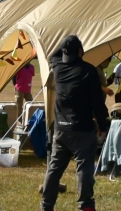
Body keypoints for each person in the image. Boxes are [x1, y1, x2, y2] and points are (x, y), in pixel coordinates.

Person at [40, 35, 109, 211]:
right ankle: (85, 205)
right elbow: (97, 103)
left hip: (61, 129)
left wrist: (66, 44)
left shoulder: (58, 67)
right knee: (84, 168)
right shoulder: (89, 71)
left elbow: (53, 56)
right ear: (80, 51)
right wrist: (103, 125)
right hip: (83, 129)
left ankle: (46, 206)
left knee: (54, 170)